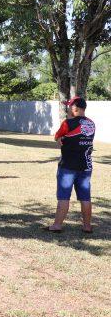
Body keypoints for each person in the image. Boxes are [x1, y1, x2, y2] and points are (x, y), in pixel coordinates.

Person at [47, 97, 95, 233]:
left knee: (64, 197)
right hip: (85, 166)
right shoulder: (91, 123)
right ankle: (87, 226)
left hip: (68, 166)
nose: (68, 109)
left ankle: (57, 225)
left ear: (75, 108)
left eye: (69, 106)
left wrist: (60, 137)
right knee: (85, 198)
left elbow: (57, 136)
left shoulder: (68, 123)